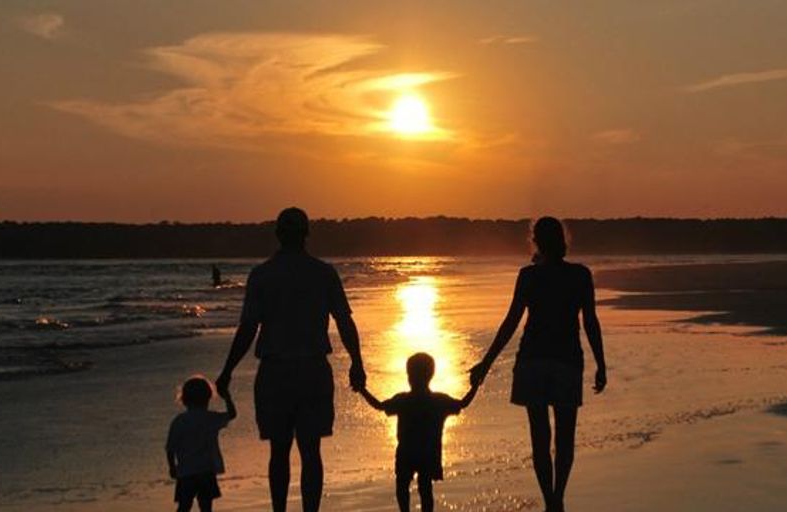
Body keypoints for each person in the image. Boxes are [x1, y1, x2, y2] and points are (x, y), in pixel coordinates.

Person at [215, 207, 366, 512]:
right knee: (311, 451)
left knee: (279, 451)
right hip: (312, 369)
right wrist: (356, 363)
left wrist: (227, 371)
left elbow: (248, 328)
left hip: (276, 371)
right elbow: (344, 322)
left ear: (278, 234)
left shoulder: (262, 275)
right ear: (306, 234)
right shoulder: (323, 273)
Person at [469, 216, 607, 512]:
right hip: (567, 360)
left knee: (540, 437)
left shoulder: (529, 276)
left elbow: (511, 323)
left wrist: (486, 363)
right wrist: (601, 364)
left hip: (532, 361)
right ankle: (558, 499)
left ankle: (550, 501)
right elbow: (590, 323)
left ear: (536, 242)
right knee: (565, 437)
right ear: (563, 241)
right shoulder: (580, 275)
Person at [358, 353, 478, 512]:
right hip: (428, 452)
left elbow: (379, 406)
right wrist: (475, 385)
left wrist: (362, 390)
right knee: (425, 487)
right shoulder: (438, 401)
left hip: (406, 452)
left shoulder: (403, 400)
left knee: (403, 486)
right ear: (431, 375)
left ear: (409, 376)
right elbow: (463, 403)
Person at [166, 376, 237, 512]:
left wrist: (172, 467)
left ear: (184, 399)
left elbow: (170, 447)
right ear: (208, 397)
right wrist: (227, 397)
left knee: (184, 506)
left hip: (186, 472)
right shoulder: (211, 418)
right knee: (206, 507)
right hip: (206, 470)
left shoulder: (179, 421)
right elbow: (232, 414)